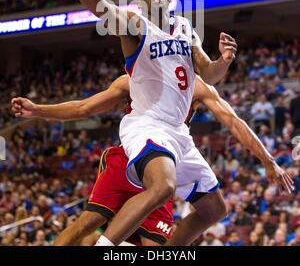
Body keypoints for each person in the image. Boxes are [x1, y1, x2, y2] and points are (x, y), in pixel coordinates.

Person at [63, 0, 238, 246]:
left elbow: (209, 73)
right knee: (163, 187)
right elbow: (103, 10)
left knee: (213, 209)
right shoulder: (135, 24)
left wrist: (224, 61)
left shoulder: (185, 27)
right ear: (139, 2)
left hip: (178, 133)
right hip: (147, 125)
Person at [12, 75, 293, 246]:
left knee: (210, 210)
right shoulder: (133, 79)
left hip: (167, 157)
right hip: (132, 155)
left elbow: (232, 119)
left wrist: (268, 160)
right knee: (87, 222)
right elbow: (84, 107)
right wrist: (38, 110)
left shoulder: (195, 84)